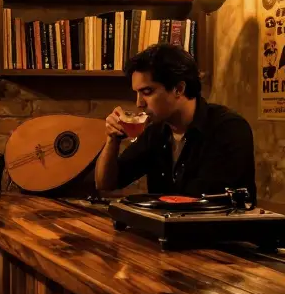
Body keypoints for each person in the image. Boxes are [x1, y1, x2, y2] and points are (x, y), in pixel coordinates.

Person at [95, 44, 257, 198]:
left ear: (179, 89)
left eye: (147, 91)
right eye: (137, 93)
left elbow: (205, 204)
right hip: (170, 225)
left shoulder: (228, 129)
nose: (139, 103)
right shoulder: (157, 131)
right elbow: (106, 184)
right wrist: (112, 140)